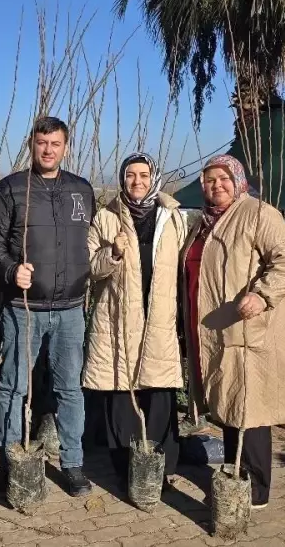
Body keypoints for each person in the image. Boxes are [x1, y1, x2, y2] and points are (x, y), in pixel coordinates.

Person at [181, 155, 285, 509]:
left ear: (237, 180)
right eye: (209, 180)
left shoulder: (257, 213)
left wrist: (262, 294)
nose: (216, 185)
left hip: (246, 327)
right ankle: (235, 478)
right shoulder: (203, 223)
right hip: (212, 328)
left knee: (250, 406)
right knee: (229, 402)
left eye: (223, 178)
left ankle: (255, 489)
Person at [0, 116, 95, 497]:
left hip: (70, 308)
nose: (48, 150)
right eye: (41, 142)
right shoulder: (11, 189)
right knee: (13, 387)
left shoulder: (81, 190)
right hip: (23, 307)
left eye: (55, 143)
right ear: (31, 144)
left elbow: (94, 239)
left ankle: (74, 464)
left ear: (66, 146)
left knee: (70, 389)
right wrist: (11, 269)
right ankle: (10, 458)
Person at [84, 153, 187, 490]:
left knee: (158, 392)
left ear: (154, 177)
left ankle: (160, 467)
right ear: (122, 178)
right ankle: (124, 467)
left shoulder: (173, 218)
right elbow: (90, 269)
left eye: (144, 175)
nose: (138, 181)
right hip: (118, 318)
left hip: (158, 316)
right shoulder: (106, 217)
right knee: (121, 392)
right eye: (131, 175)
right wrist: (111, 253)